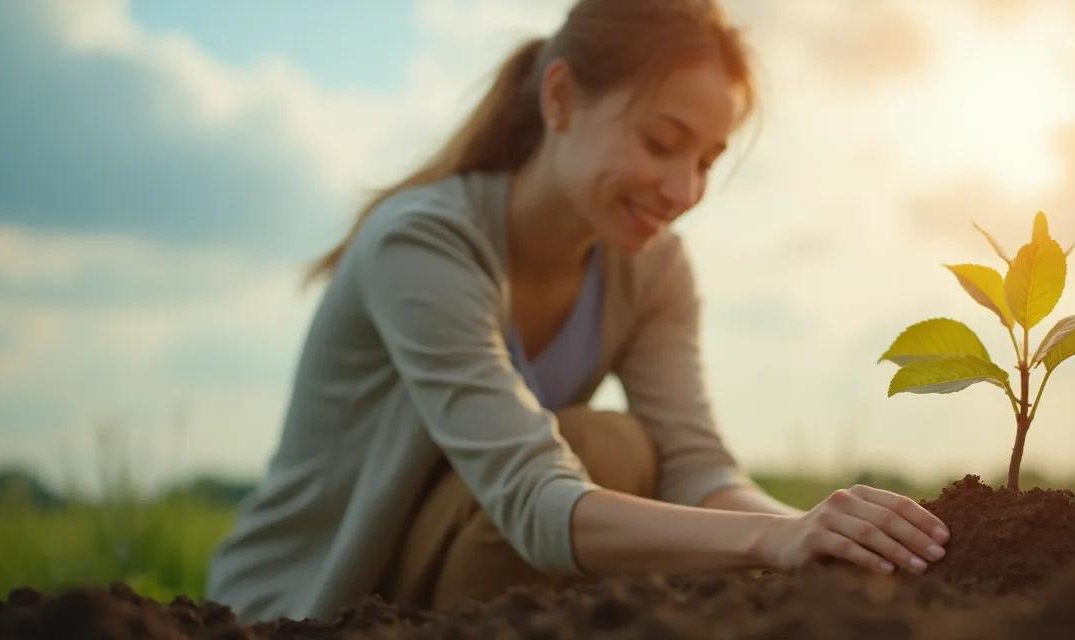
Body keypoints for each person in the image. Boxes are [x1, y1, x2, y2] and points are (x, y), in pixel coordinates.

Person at [206, 0, 948, 622]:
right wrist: (771, 542)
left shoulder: (651, 266)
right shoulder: (422, 243)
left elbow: (696, 466)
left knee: (627, 449)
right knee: (602, 446)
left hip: (451, 569)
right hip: (307, 604)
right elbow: (532, 496)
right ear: (560, 99)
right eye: (662, 143)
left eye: (708, 160)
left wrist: (820, 533)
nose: (686, 189)